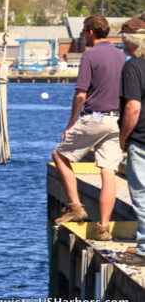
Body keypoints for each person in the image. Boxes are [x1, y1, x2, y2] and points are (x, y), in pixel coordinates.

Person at [51, 15, 125, 241]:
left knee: (60, 155)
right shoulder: (122, 56)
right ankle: (103, 228)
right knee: (108, 171)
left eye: (84, 32)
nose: (83, 36)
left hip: (96, 118)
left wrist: (71, 122)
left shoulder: (90, 55)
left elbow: (81, 93)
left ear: (91, 32)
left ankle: (75, 207)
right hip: (117, 121)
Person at [116, 14, 145, 264]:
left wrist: (123, 138)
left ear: (131, 42)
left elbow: (132, 108)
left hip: (142, 141)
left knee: (142, 196)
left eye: (123, 40)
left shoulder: (133, 67)